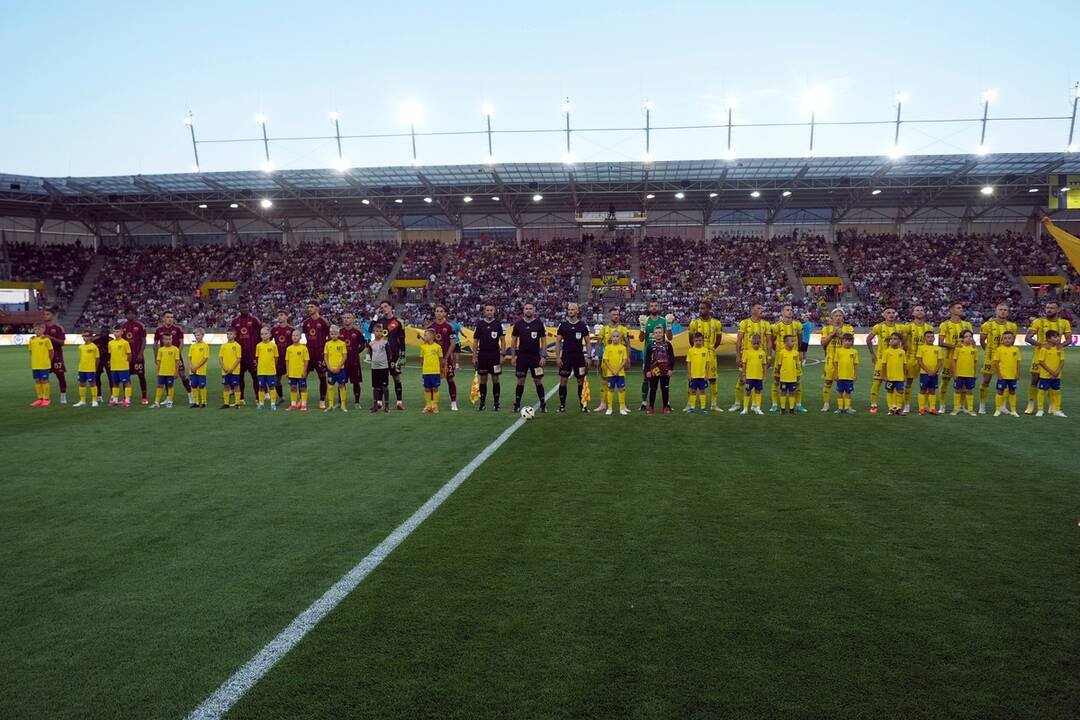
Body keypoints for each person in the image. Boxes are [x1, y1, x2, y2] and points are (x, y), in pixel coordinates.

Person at [1024, 301, 1073, 414]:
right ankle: (1031, 405)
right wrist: (1041, 345)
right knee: (1034, 380)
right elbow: (1028, 338)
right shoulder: (1038, 321)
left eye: (1052, 308)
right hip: (1039, 356)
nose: (1049, 310)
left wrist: (1061, 345)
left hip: (1055, 357)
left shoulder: (1064, 323)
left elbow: (1069, 339)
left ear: (1058, 309)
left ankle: (1052, 406)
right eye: (1047, 307)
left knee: (1053, 379)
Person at [507, 302, 547, 413]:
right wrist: (513, 356)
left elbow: (543, 340)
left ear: (533, 310)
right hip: (522, 357)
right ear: (523, 310)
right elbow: (514, 340)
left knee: (538, 380)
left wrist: (543, 356)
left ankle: (543, 403)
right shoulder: (518, 324)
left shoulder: (539, 323)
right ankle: (517, 404)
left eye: (530, 308)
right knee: (520, 380)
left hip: (535, 357)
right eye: (526, 308)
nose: (528, 310)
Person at [978, 302, 1017, 414]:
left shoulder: (1012, 326)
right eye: (1000, 309)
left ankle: (1002, 406)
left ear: (1008, 312)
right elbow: (982, 340)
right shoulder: (987, 325)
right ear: (996, 311)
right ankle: (982, 405)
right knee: (986, 381)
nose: (1003, 311)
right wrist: (988, 351)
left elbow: (1012, 342)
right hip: (990, 358)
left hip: (1005, 359)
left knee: (1005, 381)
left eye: (1005, 310)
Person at [733, 303, 771, 411]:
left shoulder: (766, 324)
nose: (761, 310)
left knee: (757, 379)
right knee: (742, 380)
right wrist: (738, 355)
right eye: (759, 308)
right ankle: (737, 403)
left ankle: (755, 405)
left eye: (761, 308)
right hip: (746, 355)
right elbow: (739, 340)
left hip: (759, 356)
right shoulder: (744, 323)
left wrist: (768, 357)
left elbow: (769, 341)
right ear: (753, 310)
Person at [866, 307, 905, 414]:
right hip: (881, 360)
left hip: (895, 361)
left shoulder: (900, 327)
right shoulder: (879, 327)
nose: (891, 314)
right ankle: (873, 405)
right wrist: (872, 354)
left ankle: (895, 407)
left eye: (893, 312)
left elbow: (905, 340)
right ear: (884, 315)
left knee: (896, 384)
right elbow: (868, 339)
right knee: (877, 383)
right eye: (888, 313)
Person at [687, 301, 724, 412]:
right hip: (696, 355)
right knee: (692, 379)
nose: (700, 310)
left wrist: (710, 349)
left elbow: (718, 341)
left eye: (703, 308)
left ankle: (714, 404)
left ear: (709, 309)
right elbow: (690, 340)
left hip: (710, 355)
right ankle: (689, 404)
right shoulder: (694, 323)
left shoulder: (716, 323)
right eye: (700, 308)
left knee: (712, 379)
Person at [937, 302, 973, 414]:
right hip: (949, 357)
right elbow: (940, 342)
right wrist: (954, 346)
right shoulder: (945, 325)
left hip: (963, 359)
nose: (961, 309)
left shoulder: (967, 325)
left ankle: (961, 406)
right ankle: (942, 405)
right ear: (952, 310)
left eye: (961, 308)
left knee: (962, 383)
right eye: (958, 308)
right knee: (945, 382)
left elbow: (971, 340)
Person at [556, 302, 591, 413]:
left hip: (579, 357)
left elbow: (588, 342)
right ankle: (562, 406)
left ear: (577, 311)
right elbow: (557, 342)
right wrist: (557, 357)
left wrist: (589, 357)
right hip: (566, 356)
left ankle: (583, 406)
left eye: (572, 309)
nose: (570, 311)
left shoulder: (582, 325)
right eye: (569, 309)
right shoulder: (563, 325)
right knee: (563, 380)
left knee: (581, 381)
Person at [154, 311, 195, 407]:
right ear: (163, 318)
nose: (170, 319)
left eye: (171, 317)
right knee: (166, 376)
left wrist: (177, 354)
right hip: (164, 357)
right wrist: (156, 356)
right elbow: (155, 344)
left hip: (175, 356)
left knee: (182, 375)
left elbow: (181, 343)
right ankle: (168, 398)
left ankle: (190, 394)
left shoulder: (177, 329)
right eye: (168, 317)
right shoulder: (159, 330)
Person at [769, 304, 803, 412]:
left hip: (793, 357)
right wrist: (779, 351)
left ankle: (798, 404)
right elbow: (772, 340)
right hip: (781, 357)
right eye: (787, 310)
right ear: (782, 312)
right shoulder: (777, 326)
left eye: (791, 310)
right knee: (776, 380)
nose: (790, 311)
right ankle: (774, 404)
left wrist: (797, 351)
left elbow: (800, 339)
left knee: (797, 381)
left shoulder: (797, 325)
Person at [595, 307, 630, 413]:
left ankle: (623, 406)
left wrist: (628, 358)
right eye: (614, 314)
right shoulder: (604, 329)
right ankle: (603, 404)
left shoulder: (623, 330)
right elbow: (598, 344)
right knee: (604, 382)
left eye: (617, 314)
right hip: (607, 361)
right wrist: (596, 357)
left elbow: (628, 344)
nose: (616, 316)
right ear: (609, 316)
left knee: (621, 383)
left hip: (620, 361)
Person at [638, 300, 671, 411]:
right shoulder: (645, 320)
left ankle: (667, 403)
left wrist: (669, 326)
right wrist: (642, 328)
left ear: (659, 307)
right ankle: (644, 402)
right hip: (650, 355)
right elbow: (641, 339)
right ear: (649, 308)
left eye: (655, 306)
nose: (653, 307)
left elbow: (670, 337)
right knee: (646, 378)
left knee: (664, 379)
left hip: (662, 357)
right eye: (651, 306)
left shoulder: (663, 320)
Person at [473, 302, 504, 411]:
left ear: (494, 311)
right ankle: (482, 403)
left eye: (491, 310)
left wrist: (502, 354)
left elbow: (502, 340)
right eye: (487, 310)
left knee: (495, 379)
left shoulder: (498, 324)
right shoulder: (480, 324)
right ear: (484, 312)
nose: (489, 312)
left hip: (495, 355)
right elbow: (475, 340)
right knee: (483, 379)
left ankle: (496, 403)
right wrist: (474, 356)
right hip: (483, 355)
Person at [820, 308, 853, 412]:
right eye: (836, 316)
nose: (838, 318)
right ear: (832, 317)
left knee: (845, 383)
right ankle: (826, 404)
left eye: (840, 316)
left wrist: (839, 334)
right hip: (830, 359)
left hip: (844, 361)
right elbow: (823, 343)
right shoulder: (826, 329)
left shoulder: (849, 328)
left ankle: (847, 405)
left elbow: (851, 342)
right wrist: (831, 334)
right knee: (828, 382)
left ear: (843, 317)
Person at [902, 305, 934, 414]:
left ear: (924, 313)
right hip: (911, 358)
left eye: (922, 310)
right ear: (913, 313)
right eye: (917, 310)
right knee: (908, 382)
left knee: (926, 383)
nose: (920, 312)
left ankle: (924, 405)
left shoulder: (929, 328)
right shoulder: (908, 327)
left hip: (925, 359)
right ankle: (906, 405)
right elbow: (904, 344)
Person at [229, 301, 262, 402]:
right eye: (243, 308)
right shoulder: (235, 321)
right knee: (239, 377)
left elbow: (261, 335)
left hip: (252, 355)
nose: (245, 309)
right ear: (239, 309)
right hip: (240, 355)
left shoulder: (254, 320)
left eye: (246, 307)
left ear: (249, 308)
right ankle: (241, 398)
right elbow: (232, 336)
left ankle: (258, 397)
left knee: (255, 377)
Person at [427, 305, 458, 411]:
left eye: (441, 311)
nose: (439, 313)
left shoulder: (450, 327)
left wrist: (445, 358)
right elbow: (427, 343)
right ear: (434, 313)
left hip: (446, 358)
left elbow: (453, 344)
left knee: (450, 379)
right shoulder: (430, 327)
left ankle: (453, 402)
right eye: (437, 311)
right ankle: (432, 403)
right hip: (433, 360)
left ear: (445, 313)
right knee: (432, 381)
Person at [378, 300, 407, 410]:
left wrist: (403, 356)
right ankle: (380, 402)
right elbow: (373, 334)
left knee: (396, 378)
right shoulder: (379, 322)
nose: (384, 308)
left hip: (394, 355)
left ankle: (399, 401)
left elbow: (402, 340)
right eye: (382, 307)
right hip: (381, 355)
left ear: (391, 307)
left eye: (386, 306)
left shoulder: (398, 322)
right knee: (382, 379)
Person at [302, 301, 331, 409]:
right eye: (308, 307)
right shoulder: (306, 323)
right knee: (303, 376)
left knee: (322, 377)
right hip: (308, 355)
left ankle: (322, 400)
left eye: (311, 307)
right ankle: (303, 399)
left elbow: (328, 339)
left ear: (317, 308)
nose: (309, 308)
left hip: (320, 355)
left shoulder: (324, 322)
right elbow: (306, 336)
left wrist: (325, 356)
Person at [119, 307, 148, 404]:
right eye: (128, 313)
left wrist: (141, 353)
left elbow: (144, 340)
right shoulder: (122, 326)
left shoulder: (140, 325)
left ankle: (144, 397)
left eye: (132, 313)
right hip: (126, 357)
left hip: (137, 356)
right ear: (125, 315)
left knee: (141, 376)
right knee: (126, 377)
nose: (130, 315)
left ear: (135, 315)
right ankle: (127, 397)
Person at [643, 325, 675, 414]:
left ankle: (665, 407)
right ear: (654, 334)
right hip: (654, 371)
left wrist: (670, 369)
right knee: (653, 389)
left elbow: (672, 358)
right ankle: (651, 407)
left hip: (665, 371)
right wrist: (647, 371)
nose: (658, 334)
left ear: (663, 333)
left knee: (665, 389)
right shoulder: (650, 346)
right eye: (656, 333)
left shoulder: (668, 345)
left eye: (660, 332)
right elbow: (647, 359)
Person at [340, 311, 368, 409]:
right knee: (341, 382)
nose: (346, 319)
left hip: (354, 361)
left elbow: (363, 344)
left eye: (348, 317)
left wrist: (356, 352)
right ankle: (341, 402)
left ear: (353, 320)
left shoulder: (357, 332)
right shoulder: (340, 332)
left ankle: (357, 402)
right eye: (344, 317)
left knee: (356, 382)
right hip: (342, 363)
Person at [1034, 329, 1065, 417]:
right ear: (1048, 339)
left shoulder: (1060, 349)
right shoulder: (1044, 349)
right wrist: (1051, 372)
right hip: (1045, 375)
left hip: (1057, 375)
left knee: (1057, 392)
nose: (1057, 338)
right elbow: (1041, 362)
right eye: (1054, 337)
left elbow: (1062, 361)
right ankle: (1040, 410)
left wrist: (1057, 372)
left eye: (1058, 337)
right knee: (1042, 392)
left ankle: (1057, 410)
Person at [41, 306, 68, 404]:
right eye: (44, 314)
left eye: (47, 314)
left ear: (52, 315)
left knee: (60, 376)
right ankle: (44, 397)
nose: (45, 316)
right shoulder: (41, 327)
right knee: (42, 377)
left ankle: (63, 395)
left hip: (56, 356)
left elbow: (62, 342)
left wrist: (50, 338)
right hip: (44, 357)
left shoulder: (58, 327)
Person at [992, 330, 1021, 417]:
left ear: (1013, 339)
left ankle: (1013, 410)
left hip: (1012, 376)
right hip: (1003, 376)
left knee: (1012, 392)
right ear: (1002, 340)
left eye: (1009, 338)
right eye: (1005, 338)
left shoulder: (1016, 349)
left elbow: (1018, 363)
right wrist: (999, 375)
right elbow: (996, 363)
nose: (1007, 340)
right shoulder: (999, 349)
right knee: (1000, 391)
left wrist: (1018, 373)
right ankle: (998, 410)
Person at [950, 329, 978, 416]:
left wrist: (975, 373)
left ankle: (970, 409)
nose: (968, 338)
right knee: (957, 390)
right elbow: (954, 361)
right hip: (960, 374)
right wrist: (955, 373)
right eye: (966, 336)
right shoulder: (958, 348)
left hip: (970, 374)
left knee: (969, 391)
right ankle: (956, 409)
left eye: (970, 336)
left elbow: (975, 362)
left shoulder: (974, 349)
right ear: (962, 338)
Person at [602, 329, 630, 415]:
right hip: (610, 373)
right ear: (611, 337)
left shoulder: (623, 348)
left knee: (621, 390)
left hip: (620, 373)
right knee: (610, 389)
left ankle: (622, 408)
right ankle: (609, 408)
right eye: (613, 336)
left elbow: (624, 360)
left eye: (617, 336)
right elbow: (606, 360)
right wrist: (613, 370)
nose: (615, 338)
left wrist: (617, 370)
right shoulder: (607, 348)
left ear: (620, 338)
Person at [739, 333, 767, 415]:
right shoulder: (746, 352)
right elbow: (744, 364)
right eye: (754, 343)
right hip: (749, 377)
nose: (756, 345)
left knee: (758, 391)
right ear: (751, 343)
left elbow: (764, 365)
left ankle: (758, 408)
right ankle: (745, 409)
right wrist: (743, 375)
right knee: (747, 391)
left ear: (760, 343)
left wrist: (765, 376)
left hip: (758, 377)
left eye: (758, 343)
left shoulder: (762, 353)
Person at [916, 331, 943, 416]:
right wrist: (928, 371)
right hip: (924, 373)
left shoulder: (938, 348)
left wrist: (935, 371)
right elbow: (919, 361)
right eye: (928, 337)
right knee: (923, 390)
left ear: (934, 338)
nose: (930, 338)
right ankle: (921, 408)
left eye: (932, 337)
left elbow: (940, 361)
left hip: (934, 374)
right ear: (924, 338)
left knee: (932, 390)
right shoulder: (921, 348)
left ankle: (932, 408)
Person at [269, 310, 294, 401]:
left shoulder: (291, 330)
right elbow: (267, 340)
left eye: (282, 315)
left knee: (292, 380)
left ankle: (294, 399)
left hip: (289, 359)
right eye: (278, 315)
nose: (279, 317)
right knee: (276, 380)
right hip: (278, 359)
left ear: (286, 317)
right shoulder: (274, 330)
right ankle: (281, 397)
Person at [324, 325, 349, 413]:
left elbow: (345, 356)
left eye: (335, 334)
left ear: (338, 334)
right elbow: (325, 356)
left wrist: (339, 367)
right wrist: (328, 367)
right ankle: (330, 405)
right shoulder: (327, 344)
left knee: (341, 386)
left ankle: (343, 405)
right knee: (330, 387)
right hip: (330, 369)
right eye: (332, 334)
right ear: (330, 334)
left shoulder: (342, 343)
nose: (333, 335)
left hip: (340, 369)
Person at [28, 323, 54, 407]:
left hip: (44, 364)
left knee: (44, 381)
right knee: (37, 381)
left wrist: (48, 360)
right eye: (36, 329)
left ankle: (46, 399)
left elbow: (51, 351)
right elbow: (31, 351)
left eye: (39, 329)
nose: (37, 331)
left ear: (43, 330)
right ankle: (39, 399)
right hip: (35, 364)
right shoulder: (32, 340)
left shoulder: (46, 339)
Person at [420, 328, 445, 413]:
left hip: (435, 371)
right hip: (426, 371)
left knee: (435, 388)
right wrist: (423, 369)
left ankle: (435, 405)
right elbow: (422, 360)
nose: (424, 336)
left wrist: (441, 370)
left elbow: (441, 359)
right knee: (427, 388)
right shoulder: (423, 347)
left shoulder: (437, 347)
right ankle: (428, 405)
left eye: (425, 335)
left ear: (432, 336)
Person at [882, 332, 908, 415]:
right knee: (890, 391)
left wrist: (905, 376)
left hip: (900, 376)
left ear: (900, 341)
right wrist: (884, 375)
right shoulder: (886, 352)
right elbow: (884, 365)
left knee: (900, 391)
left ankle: (899, 408)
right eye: (891, 339)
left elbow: (904, 365)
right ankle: (891, 408)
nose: (892, 340)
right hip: (890, 377)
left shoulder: (902, 352)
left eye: (895, 339)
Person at [153, 332, 181, 408]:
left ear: (172, 339)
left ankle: (170, 401)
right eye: (166, 339)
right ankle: (157, 402)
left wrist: (176, 371)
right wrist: (157, 371)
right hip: (162, 372)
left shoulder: (175, 349)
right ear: (162, 340)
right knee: (159, 386)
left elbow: (177, 361)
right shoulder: (161, 350)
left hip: (171, 372)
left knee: (170, 386)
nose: (168, 341)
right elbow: (158, 361)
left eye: (169, 339)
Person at [775, 334, 801, 415]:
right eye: (792, 341)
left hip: (793, 377)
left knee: (792, 392)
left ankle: (791, 409)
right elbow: (779, 365)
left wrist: (798, 374)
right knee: (783, 392)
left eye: (794, 341)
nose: (794, 343)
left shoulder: (796, 353)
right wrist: (777, 374)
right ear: (785, 342)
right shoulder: (782, 353)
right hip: (784, 377)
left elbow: (797, 365)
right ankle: (782, 409)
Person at [832, 333, 858, 415]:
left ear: (852, 342)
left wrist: (855, 375)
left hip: (849, 376)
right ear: (842, 341)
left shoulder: (854, 352)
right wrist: (835, 374)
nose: (847, 342)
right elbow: (836, 363)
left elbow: (855, 364)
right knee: (839, 392)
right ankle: (840, 408)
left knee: (848, 393)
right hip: (840, 376)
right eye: (846, 340)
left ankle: (847, 408)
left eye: (849, 341)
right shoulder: (838, 351)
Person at [254, 327, 279, 410]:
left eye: (266, 334)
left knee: (272, 387)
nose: (264, 336)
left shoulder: (273, 345)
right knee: (261, 387)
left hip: (271, 371)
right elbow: (257, 358)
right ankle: (261, 403)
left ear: (270, 335)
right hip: (261, 371)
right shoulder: (258, 346)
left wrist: (272, 366)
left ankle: (273, 403)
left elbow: (276, 358)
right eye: (262, 334)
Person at [285, 329, 310, 411]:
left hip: (300, 372)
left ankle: (303, 404)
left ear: (300, 337)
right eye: (293, 335)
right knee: (293, 388)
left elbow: (306, 360)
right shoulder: (289, 349)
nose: (295, 337)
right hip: (292, 372)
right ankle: (293, 404)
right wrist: (287, 371)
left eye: (296, 335)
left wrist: (304, 371)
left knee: (303, 388)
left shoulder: (303, 348)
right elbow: (287, 361)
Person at [108, 327, 133, 407]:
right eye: (114, 331)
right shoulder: (110, 343)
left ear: (122, 332)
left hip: (123, 367)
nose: (116, 333)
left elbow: (129, 355)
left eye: (118, 331)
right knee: (115, 383)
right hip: (114, 367)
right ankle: (115, 399)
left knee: (126, 383)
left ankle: (127, 400)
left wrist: (126, 362)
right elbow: (110, 354)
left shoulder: (125, 343)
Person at [686, 333, 710, 413]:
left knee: (702, 391)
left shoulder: (705, 350)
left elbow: (707, 364)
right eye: (696, 341)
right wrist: (689, 375)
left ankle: (703, 408)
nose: (698, 342)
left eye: (700, 340)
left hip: (702, 376)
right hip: (693, 376)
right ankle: (692, 407)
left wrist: (707, 374)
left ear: (702, 341)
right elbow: (688, 363)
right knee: (693, 391)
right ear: (693, 341)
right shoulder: (690, 350)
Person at [367, 324, 389, 413]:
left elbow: (389, 354)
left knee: (384, 386)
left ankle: (386, 406)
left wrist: (386, 363)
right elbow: (371, 354)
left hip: (384, 367)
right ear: (373, 332)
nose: (378, 333)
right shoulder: (371, 343)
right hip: (374, 368)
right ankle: (375, 406)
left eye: (380, 331)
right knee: (375, 387)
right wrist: (373, 361)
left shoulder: (385, 342)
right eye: (377, 331)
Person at [74, 331, 100, 407]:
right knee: (82, 384)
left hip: (90, 369)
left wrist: (95, 367)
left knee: (92, 384)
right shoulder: (81, 347)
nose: (85, 338)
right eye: (84, 336)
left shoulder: (94, 347)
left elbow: (97, 358)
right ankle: (82, 400)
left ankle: (94, 400)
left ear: (91, 337)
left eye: (87, 336)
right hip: (82, 368)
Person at [219, 328, 242, 409]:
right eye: (228, 334)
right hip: (225, 371)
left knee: (236, 386)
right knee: (226, 386)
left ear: (235, 335)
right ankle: (226, 403)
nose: (229, 336)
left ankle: (237, 403)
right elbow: (220, 358)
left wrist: (232, 368)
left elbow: (238, 358)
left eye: (231, 334)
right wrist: (224, 367)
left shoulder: (237, 346)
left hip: (234, 370)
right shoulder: (223, 346)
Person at [188, 328, 210, 408]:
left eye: (198, 335)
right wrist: (191, 366)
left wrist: (196, 367)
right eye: (196, 335)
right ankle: (196, 402)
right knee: (193, 385)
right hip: (192, 370)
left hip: (201, 370)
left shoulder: (205, 346)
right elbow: (189, 357)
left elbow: (205, 358)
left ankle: (204, 402)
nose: (197, 337)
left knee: (202, 386)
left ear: (202, 335)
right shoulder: (192, 346)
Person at [92, 325, 112, 404]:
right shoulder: (96, 341)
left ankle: (113, 395)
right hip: (99, 360)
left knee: (111, 377)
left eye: (105, 332)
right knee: (96, 377)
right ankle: (99, 396)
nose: (104, 333)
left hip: (108, 360)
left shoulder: (111, 340)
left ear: (108, 333)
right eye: (102, 332)